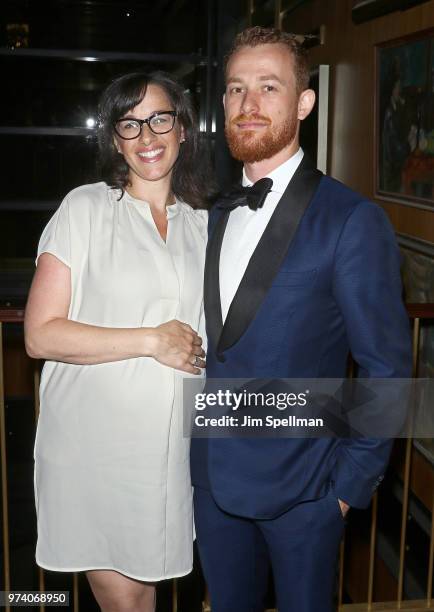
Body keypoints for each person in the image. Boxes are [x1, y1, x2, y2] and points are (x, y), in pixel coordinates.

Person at [190, 26, 412, 612]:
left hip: (307, 491)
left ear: (304, 103)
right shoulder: (211, 214)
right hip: (212, 481)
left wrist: (345, 490)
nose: (249, 104)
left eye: (268, 87)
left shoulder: (351, 220)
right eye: (236, 89)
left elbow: (386, 366)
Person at [25, 71, 213, 612]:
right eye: (130, 124)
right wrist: (151, 340)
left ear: (182, 130)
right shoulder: (84, 209)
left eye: (160, 119)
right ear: (114, 139)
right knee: (125, 603)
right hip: (93, 446)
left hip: (167, 453)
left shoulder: (203, 223)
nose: (147, 137)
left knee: (146, 595)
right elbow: (39, 334)